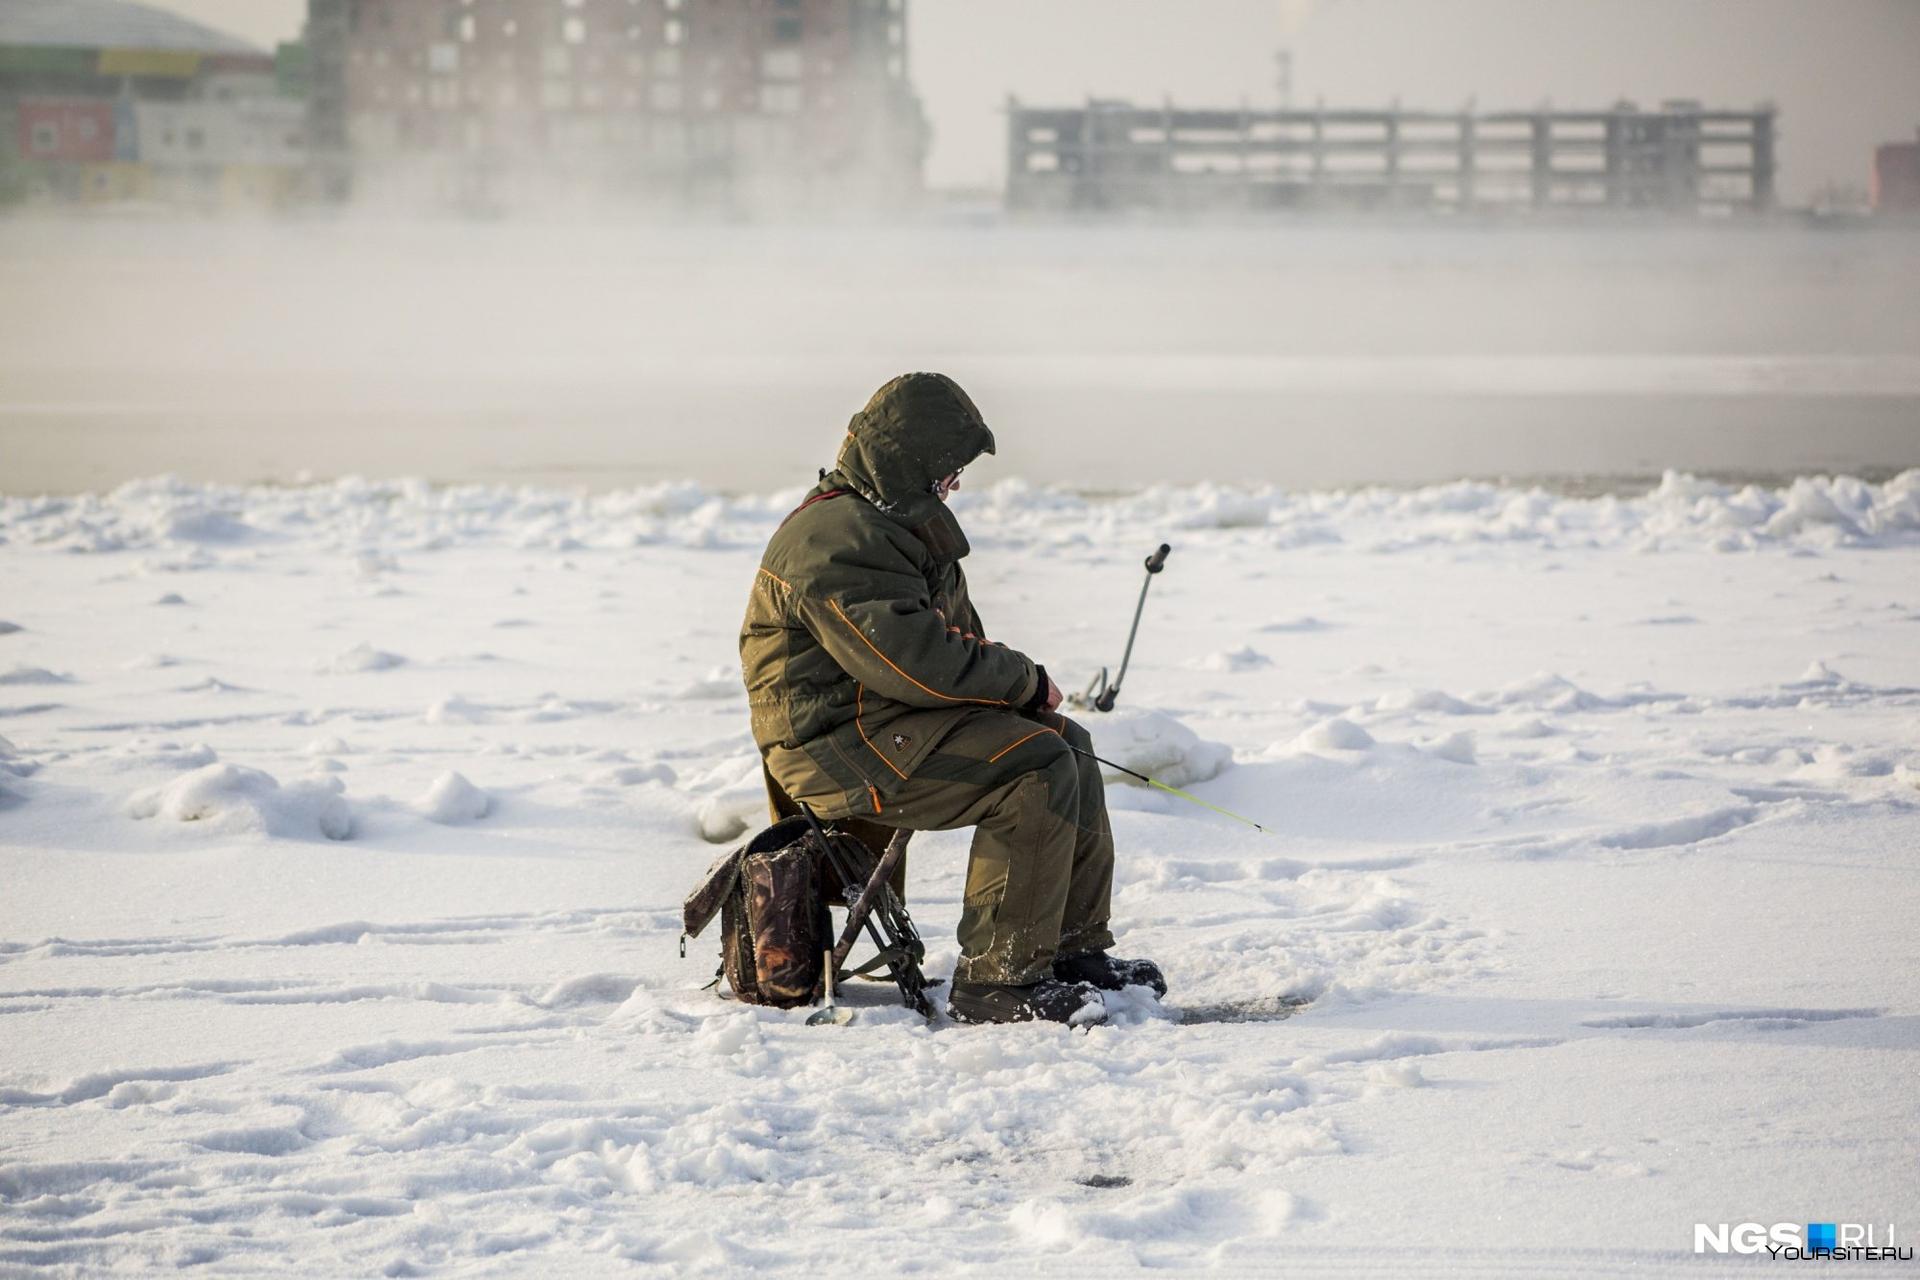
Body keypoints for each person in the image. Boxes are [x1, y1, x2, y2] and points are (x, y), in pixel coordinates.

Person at [739, 372, 1165, 1025]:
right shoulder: (835, 537)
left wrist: (1018, 700)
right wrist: (1022, 679)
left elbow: (956, 641)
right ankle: (997, 980)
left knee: (1066, 745)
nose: (955, 483)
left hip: (888, 721)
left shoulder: (891, 521)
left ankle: (1070, 951)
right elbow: (913, 661)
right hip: (835, 745)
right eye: (949, 467)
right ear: (910, 458)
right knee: (1033, 768)